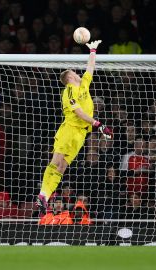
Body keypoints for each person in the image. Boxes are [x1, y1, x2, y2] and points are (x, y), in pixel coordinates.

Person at [36, 40, 112, 214]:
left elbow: (90, 68)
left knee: (62, 167)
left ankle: (45, 197)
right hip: (69, 129)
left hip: (80, 135)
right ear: (69, 77)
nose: (77, 73)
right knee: (55, 162)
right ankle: (42, 194)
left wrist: (92, 50)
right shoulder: (69, 90)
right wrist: (96, 123)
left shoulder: (84, 84)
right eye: (73, 72)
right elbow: (77, 111)